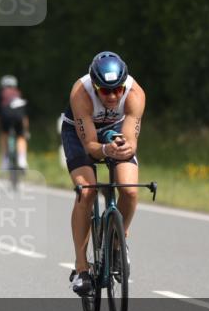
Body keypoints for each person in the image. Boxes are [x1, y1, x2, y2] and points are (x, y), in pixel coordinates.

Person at [60, 51, 145, 296]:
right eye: (105, 91)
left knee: (129, 190)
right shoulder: (81, 93)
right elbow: (91, 147)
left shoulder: (135, 95)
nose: (112, 96)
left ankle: (117, 244)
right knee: (86, 193)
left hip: (116, 129)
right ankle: (81, 268)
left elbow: (131, 140)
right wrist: (105, 149)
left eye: (117, 90)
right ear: (94, 85)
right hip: (79, 133)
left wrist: (123, 147)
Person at [0, 75, 30, 170]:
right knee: (21, 137)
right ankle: (22, 160)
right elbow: (24, 116)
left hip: (5, 117)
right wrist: (26, 131)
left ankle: (5, 161)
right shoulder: (19, 94)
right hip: (18, 117)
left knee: (4, 135)